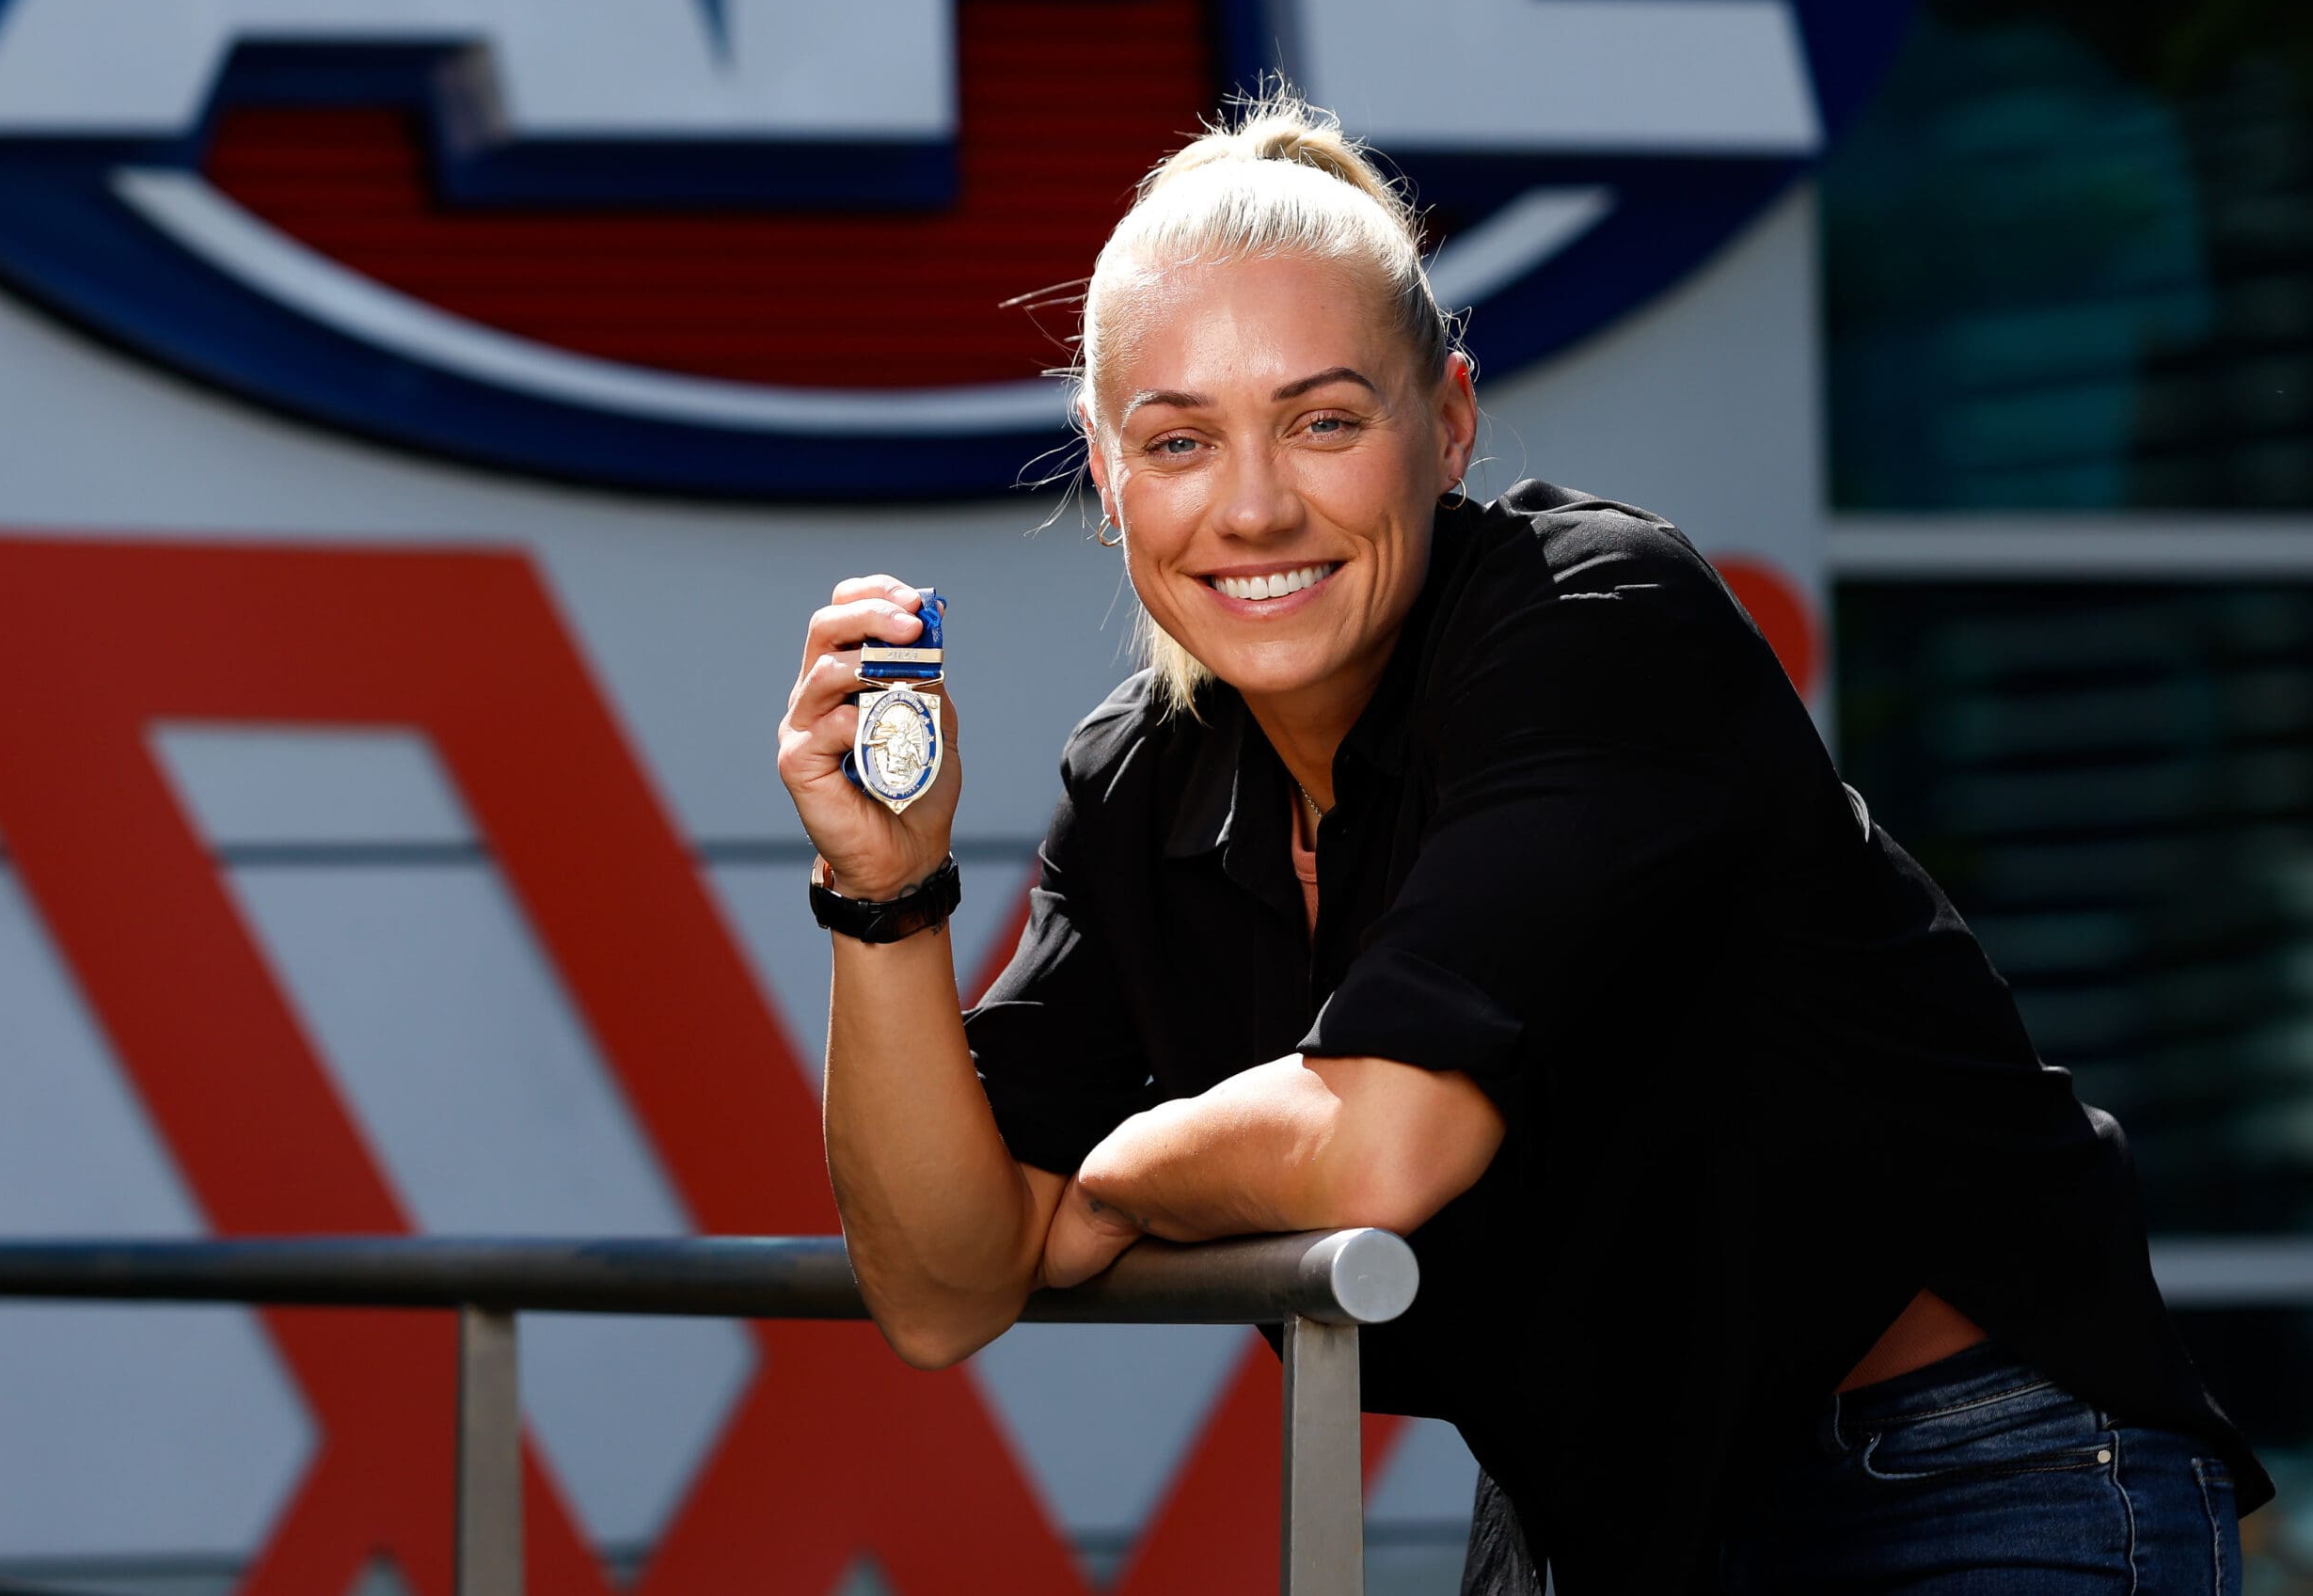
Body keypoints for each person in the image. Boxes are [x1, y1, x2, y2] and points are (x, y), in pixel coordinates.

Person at [775, 89, 2273, 1594]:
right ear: (1108, 480)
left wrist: (1107, 1183)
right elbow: (941, 1288)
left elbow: (1385, 1142)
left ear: (1450, 422)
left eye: (1325, 420)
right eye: (1178, 442)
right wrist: (884, 891)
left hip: (1956, 1468)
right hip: (1617, 1514)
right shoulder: (1146, 784)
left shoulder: (1594, 619)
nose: (1252, 504)